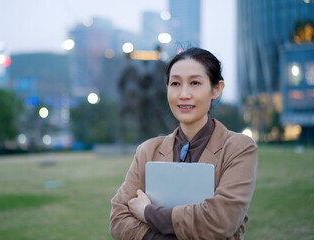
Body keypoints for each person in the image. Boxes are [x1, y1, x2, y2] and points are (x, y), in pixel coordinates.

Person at [109, 47, 258, 240]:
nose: (183, 94)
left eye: (195, 83)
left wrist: (147, 212)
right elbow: (118, 221)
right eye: (175, 83)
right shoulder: (147, 150)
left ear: (216, 89)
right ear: (167, 89)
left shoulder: (239, 148)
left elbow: (220, 222)